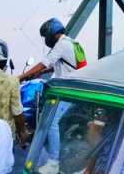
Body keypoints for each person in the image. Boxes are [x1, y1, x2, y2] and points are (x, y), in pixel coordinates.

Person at [18, 18, 87, 174]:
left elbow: (45, 62)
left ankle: (53, 162)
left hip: (70, 91)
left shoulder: (61, 45)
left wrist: (20, 78)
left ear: (51, 34)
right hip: (77, 88)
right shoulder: (72, 43)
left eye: (45, 37)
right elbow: (60, 64)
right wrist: (40, 73)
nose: (45, 40)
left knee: (51, 120)